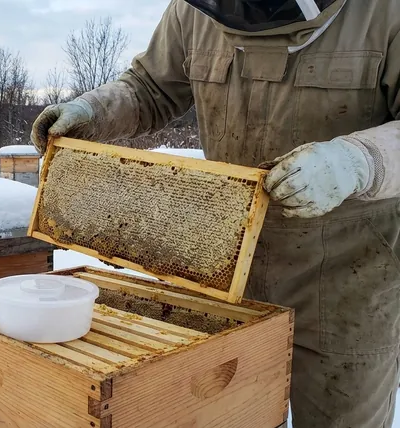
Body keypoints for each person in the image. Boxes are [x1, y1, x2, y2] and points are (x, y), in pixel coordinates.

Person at [30, 1, 400, 427]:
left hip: (346, 283)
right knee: (229, 414)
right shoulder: (193, 12)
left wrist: (360, 161)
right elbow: (149, 88)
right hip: (224, 269)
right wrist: (93, 111)